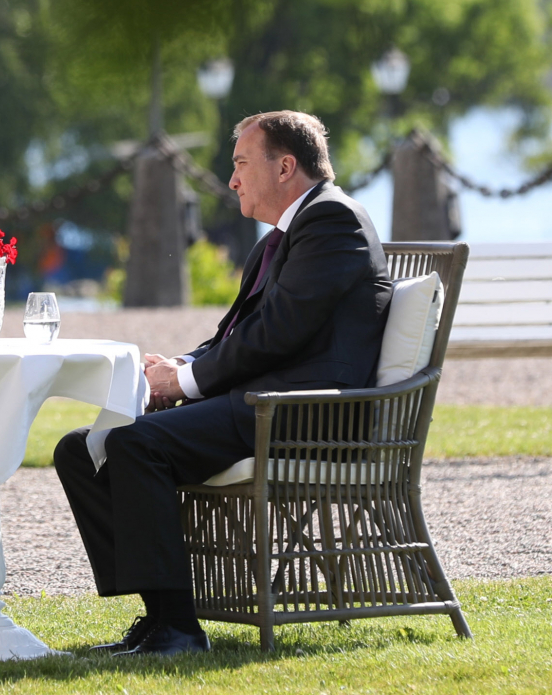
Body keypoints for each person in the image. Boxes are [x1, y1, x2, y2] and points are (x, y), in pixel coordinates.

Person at [53, 110, 393, 656]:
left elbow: (280, 334)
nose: (231, 180)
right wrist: (176, 369)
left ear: (285, 167)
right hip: (263, 401)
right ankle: (158, 611)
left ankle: (180, 631)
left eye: (240, 164)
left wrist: (187, 382)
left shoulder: (333, 221)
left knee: (134, 444)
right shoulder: (279, 239)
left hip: (309, 413)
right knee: (80, 450)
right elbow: (236, 333)